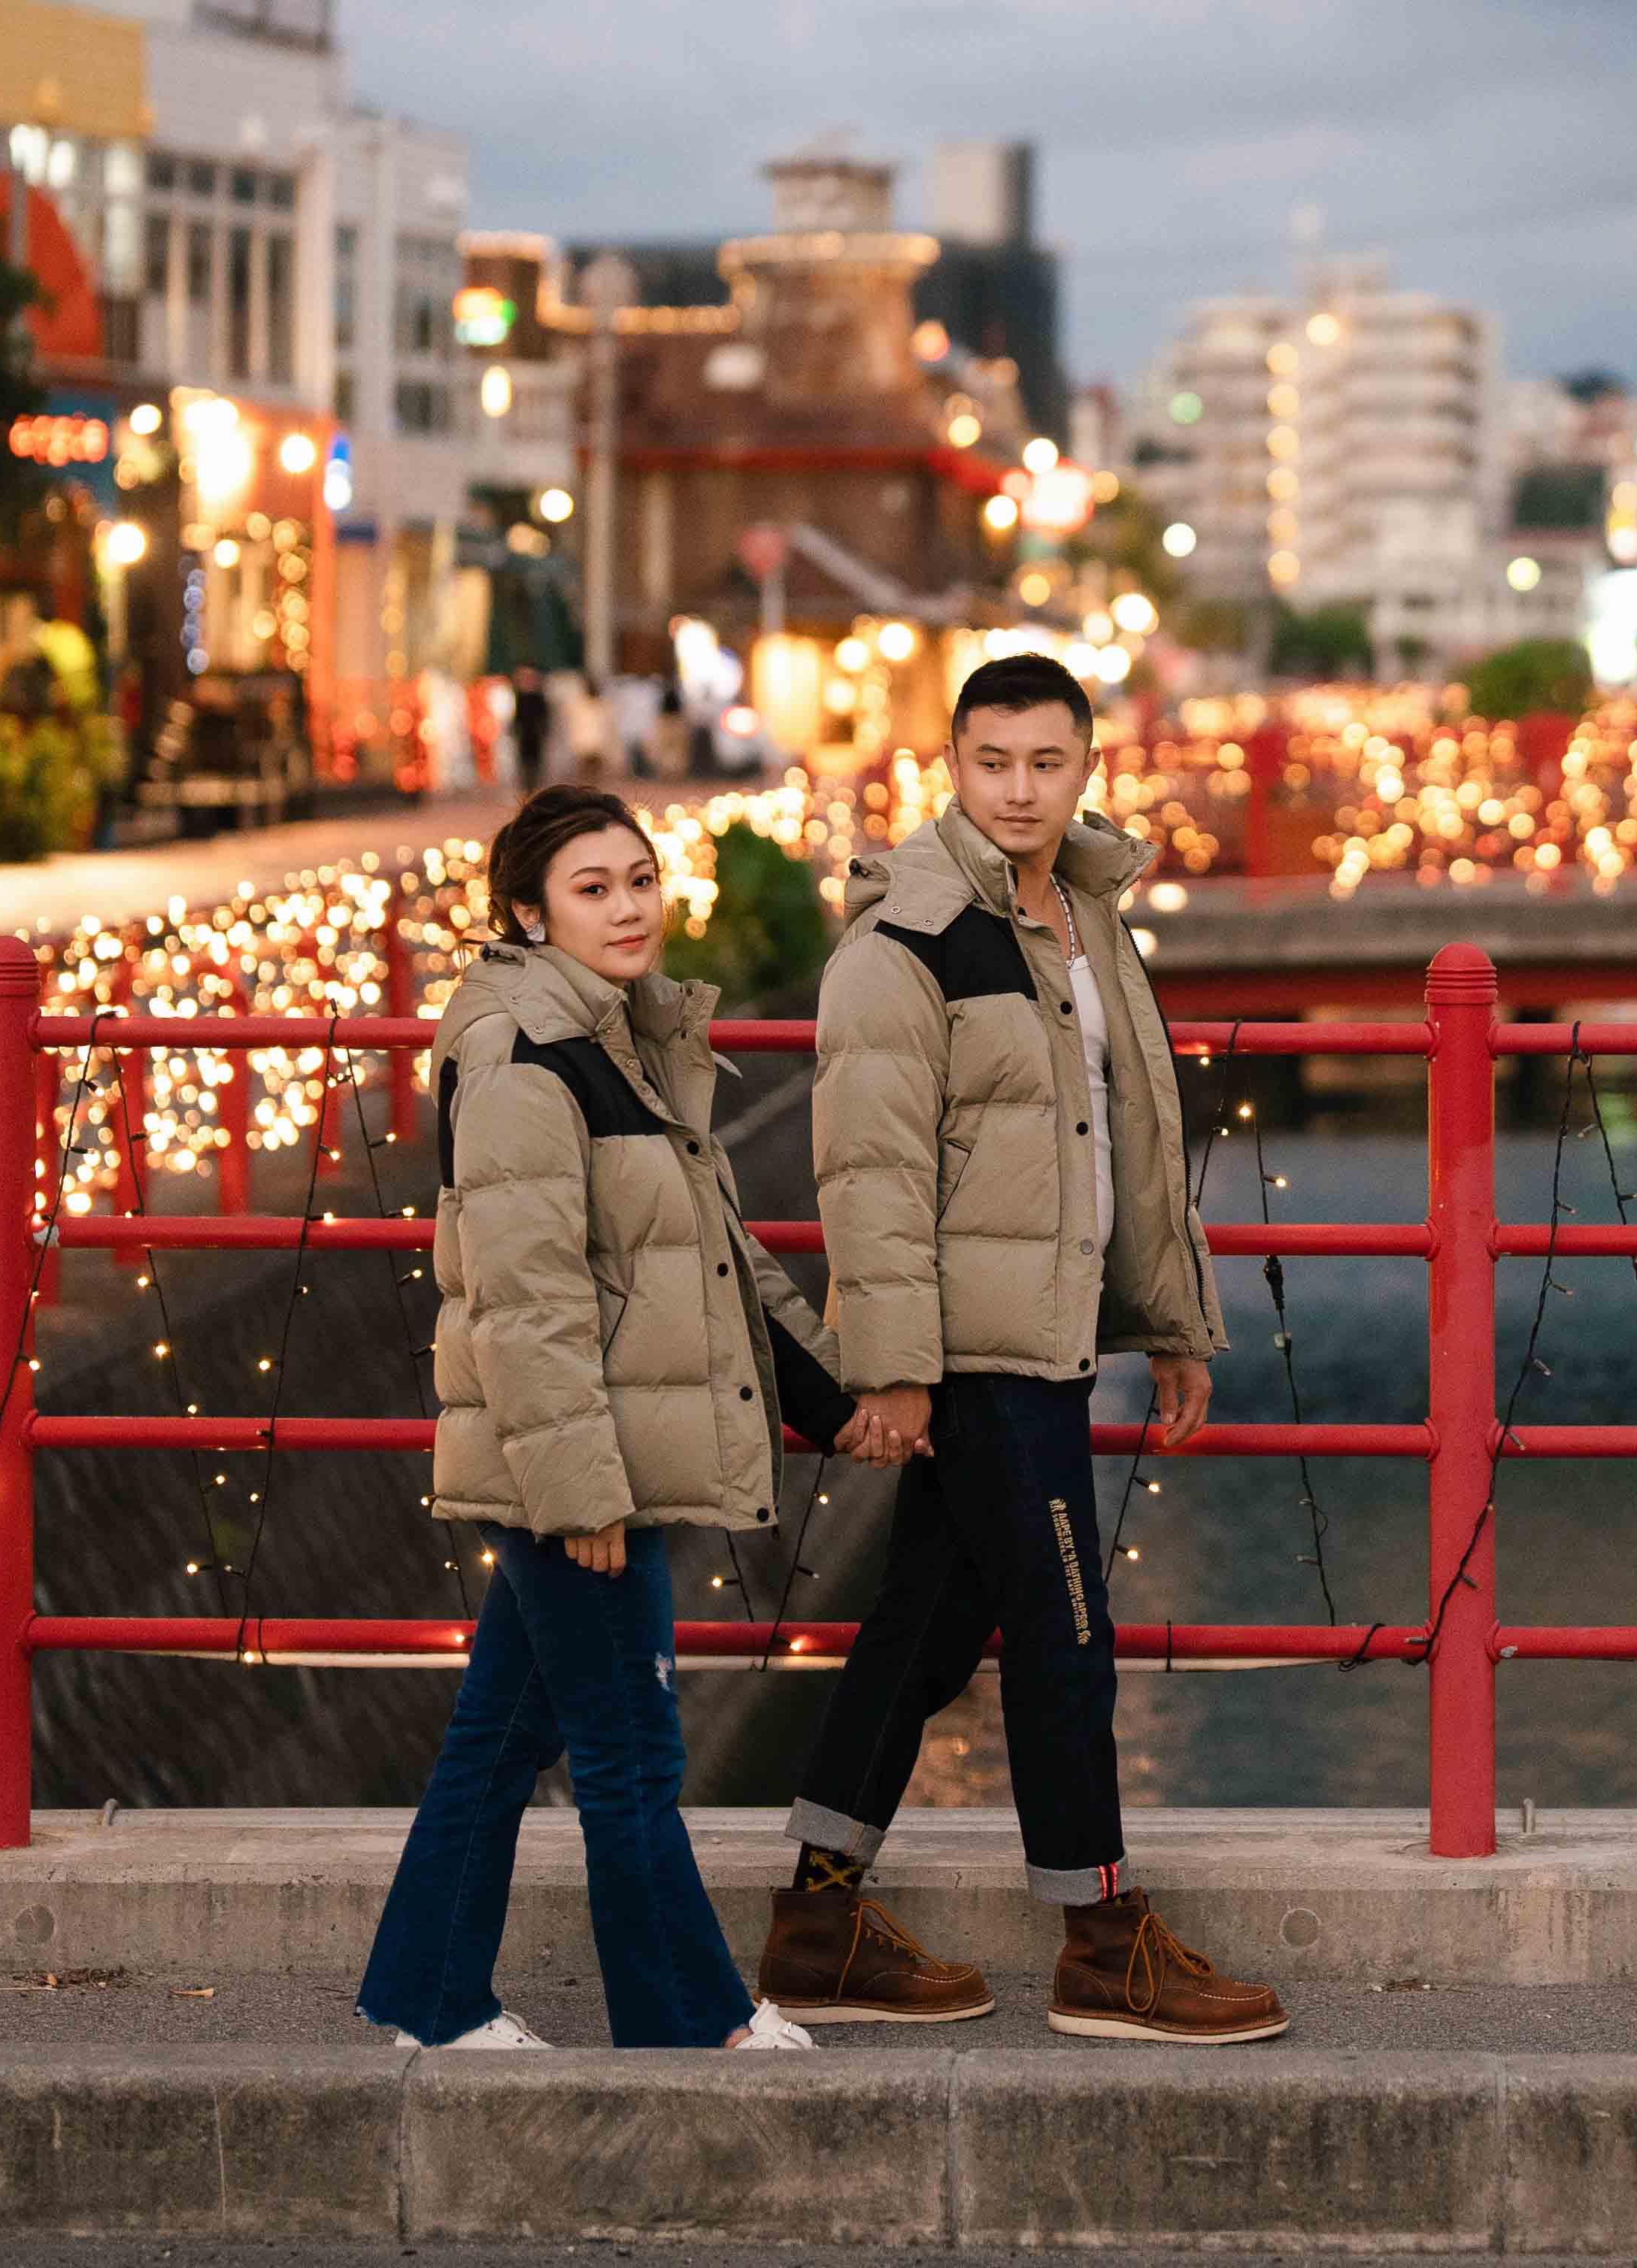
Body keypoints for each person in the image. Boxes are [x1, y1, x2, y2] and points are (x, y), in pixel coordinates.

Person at [757, 654, 1289, 2043]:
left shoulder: (1087, 918)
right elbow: (867, 1173)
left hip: (1051, 1334)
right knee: (1063, 1633)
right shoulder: (908, 940)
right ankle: (1103, 1943)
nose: (1018, 790)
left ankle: (816, 1925)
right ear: (952, 762)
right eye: (993, 761)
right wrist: (891, 1365)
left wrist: (1171, 1322)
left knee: (926, 1627)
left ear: (1086, 768)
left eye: (1046, 764)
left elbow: (1131, 1140)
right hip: (976, 1351)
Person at [357, 783, 842, 2055]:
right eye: (592, 887)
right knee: (631, 1754)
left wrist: (834, 1395)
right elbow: (528, 1300)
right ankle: (690, 2021)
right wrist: (581, 1496)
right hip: (575, 1467)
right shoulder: (524, 1052)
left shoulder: (618, 1034)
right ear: (527, 911)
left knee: (502, 1739)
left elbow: (715, 1256)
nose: (629, 907)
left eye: (639, 879)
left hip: (592, 1452)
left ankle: (429, 1997)